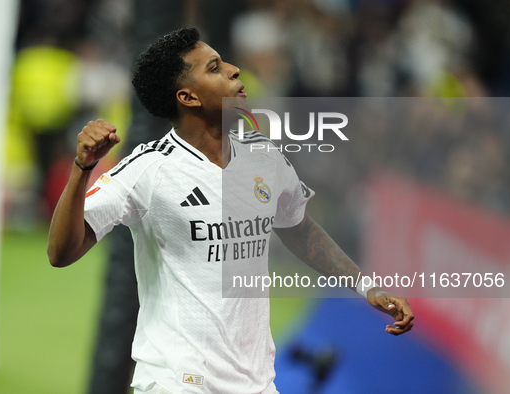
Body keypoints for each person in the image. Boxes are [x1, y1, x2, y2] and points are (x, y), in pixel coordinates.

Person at [47, 27, 414, 394]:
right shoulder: (149, 169)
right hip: (177, 380)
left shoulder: (264, 156)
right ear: (188, 97)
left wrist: (367, 287)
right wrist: (82, 170)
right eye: (215, 68)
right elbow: (61, 252)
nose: (235, 70)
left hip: (255, 381)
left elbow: (299, 229)